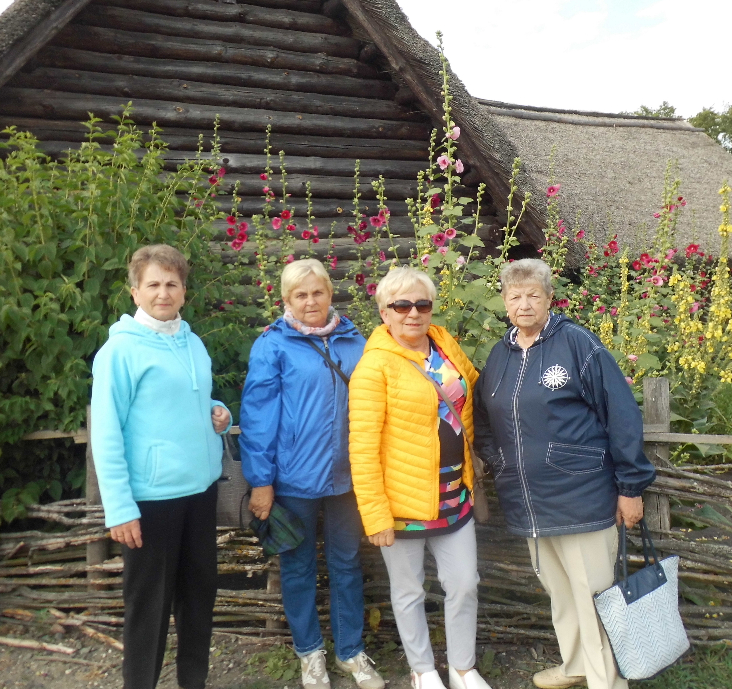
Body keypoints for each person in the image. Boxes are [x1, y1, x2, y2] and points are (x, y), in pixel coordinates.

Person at [473, 259, 656, 689]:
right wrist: (500, 461)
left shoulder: (577, 344)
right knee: (560, 592)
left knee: (593, 596)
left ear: (549, 298)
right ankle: (576, 666)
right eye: (515, 296)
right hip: (529, 502)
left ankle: (607, 682)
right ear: (504, 302)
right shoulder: (499, 356)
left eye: (533, 295)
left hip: (581, 496)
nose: (524, 304)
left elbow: (621, 414)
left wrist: (630, 486)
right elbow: (482, 419)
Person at [90, 244, 232, 689]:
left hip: (199, 492)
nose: (163, 293)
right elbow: (106, 432)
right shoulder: (119, 352)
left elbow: (186, 400)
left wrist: (219, 413)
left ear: (184, 291)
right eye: (153, 284)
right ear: (135, 292)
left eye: (172, 283)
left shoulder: (192, 342)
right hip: (150, 501)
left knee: (198, 599)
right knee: (148, 610)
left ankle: (193, 682)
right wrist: (120, 508)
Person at [240, 259, 385, 689]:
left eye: (317, 292)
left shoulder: (355, 341)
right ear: (286, 300)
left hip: (347, 478)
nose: (310, 301)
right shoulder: (273, 345)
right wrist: (261, 480)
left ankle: (350, 652)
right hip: (293, 480)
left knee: (347, 564)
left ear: (330, 293)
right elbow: (257, 417)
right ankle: (309, 653)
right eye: (300, 295)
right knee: (298, 566)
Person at [349, 266, 493, 689]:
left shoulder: (444, 344)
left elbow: (475, 390)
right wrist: (375, 515)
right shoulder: (374, 367)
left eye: (422, 304)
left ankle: (463, 668)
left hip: (454, 494)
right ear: (384, 313)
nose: (413, 313)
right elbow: (363, 447)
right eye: (401, 305)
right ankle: (423, 670)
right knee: (409, 591)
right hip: (402, 503)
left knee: (464, 583)